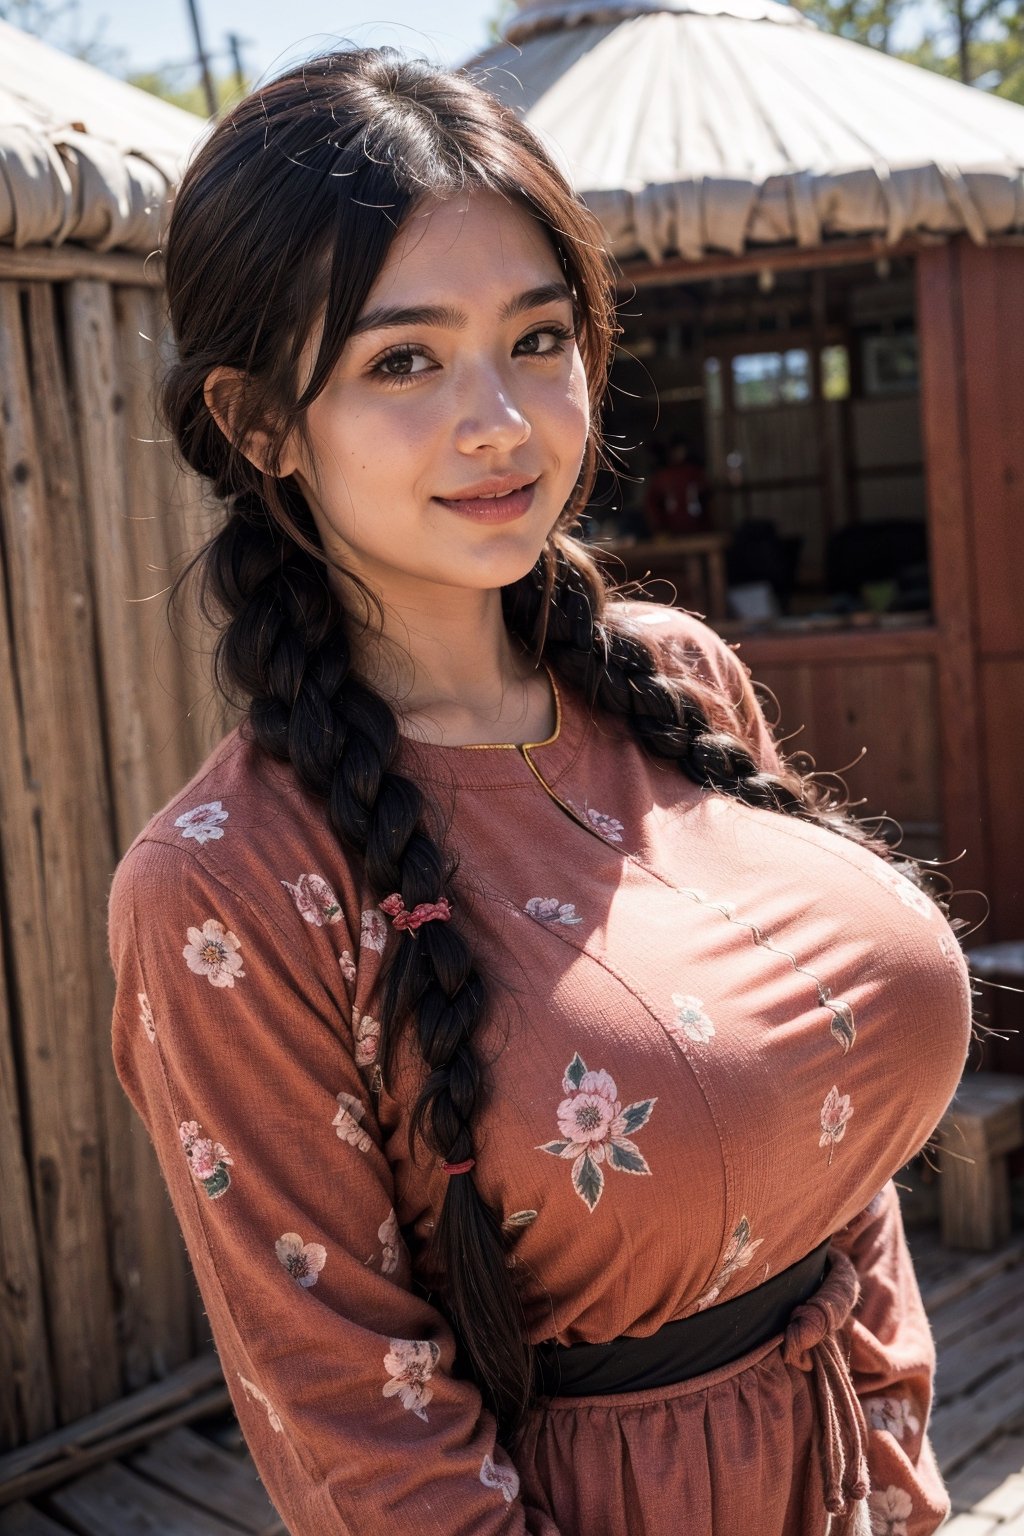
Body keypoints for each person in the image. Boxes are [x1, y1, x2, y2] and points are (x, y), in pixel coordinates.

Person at [107, 48, 974, 1536]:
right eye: (403, 361)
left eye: (537, 338)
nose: (501, 421)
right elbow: (349, 1424)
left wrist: (896, 1474)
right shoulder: (233, 883)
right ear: (260, 427)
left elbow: (843, 1170)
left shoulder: (678, 682)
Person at [644, 435, 712, 536]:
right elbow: (652, 503)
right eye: (676, 450)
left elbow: (707, 498)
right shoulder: (663, 476)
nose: (679, 453)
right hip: (671, 528)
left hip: (696, 526)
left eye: (681, 450)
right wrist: (659, 527)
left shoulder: (694, 473)